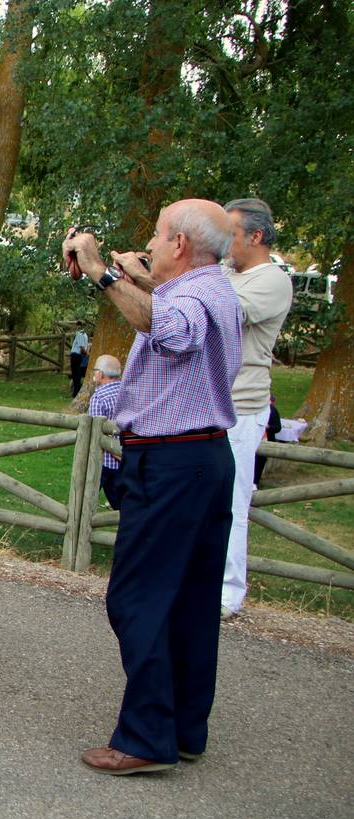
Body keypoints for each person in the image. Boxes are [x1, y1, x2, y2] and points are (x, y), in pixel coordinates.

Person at [62, 198, 242, 775]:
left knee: (136, 598)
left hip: (170, 463)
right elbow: (165, 313)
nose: (151, 244)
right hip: (203, 458)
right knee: (189, 601)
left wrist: (102, 273)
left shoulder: (188, 298)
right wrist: (139, 279)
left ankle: (144, 737)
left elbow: (166, 328)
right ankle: (185, 728)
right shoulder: (212, 288)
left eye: (159, 236)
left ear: (181, 245)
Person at [220, 198, 293, 621]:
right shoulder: (227, 273)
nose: (223, 243)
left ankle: (228, 593)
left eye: (230, 233)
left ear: (256, 236)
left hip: (242, 407)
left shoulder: (273, 280)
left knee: (232, 499)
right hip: (209, 400)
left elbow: (228, 312)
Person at [87, 354, 124, 509]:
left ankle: (77, 529)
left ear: (100, 374)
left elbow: (94, 432)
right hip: (126, 459)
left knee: (85, 499)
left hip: (104, 462)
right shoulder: (128, 392)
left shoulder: (99, 397)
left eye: (95, 370)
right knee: (123, 505)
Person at [69, 325, 90, 397]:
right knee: (76, 374)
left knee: (75, 374)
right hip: (78, 355)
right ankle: (76, 391)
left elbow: (82, 347)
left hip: (76, 355)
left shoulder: (80, 334)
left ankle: (76, 391)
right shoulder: (85, 335)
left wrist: (85, 353)